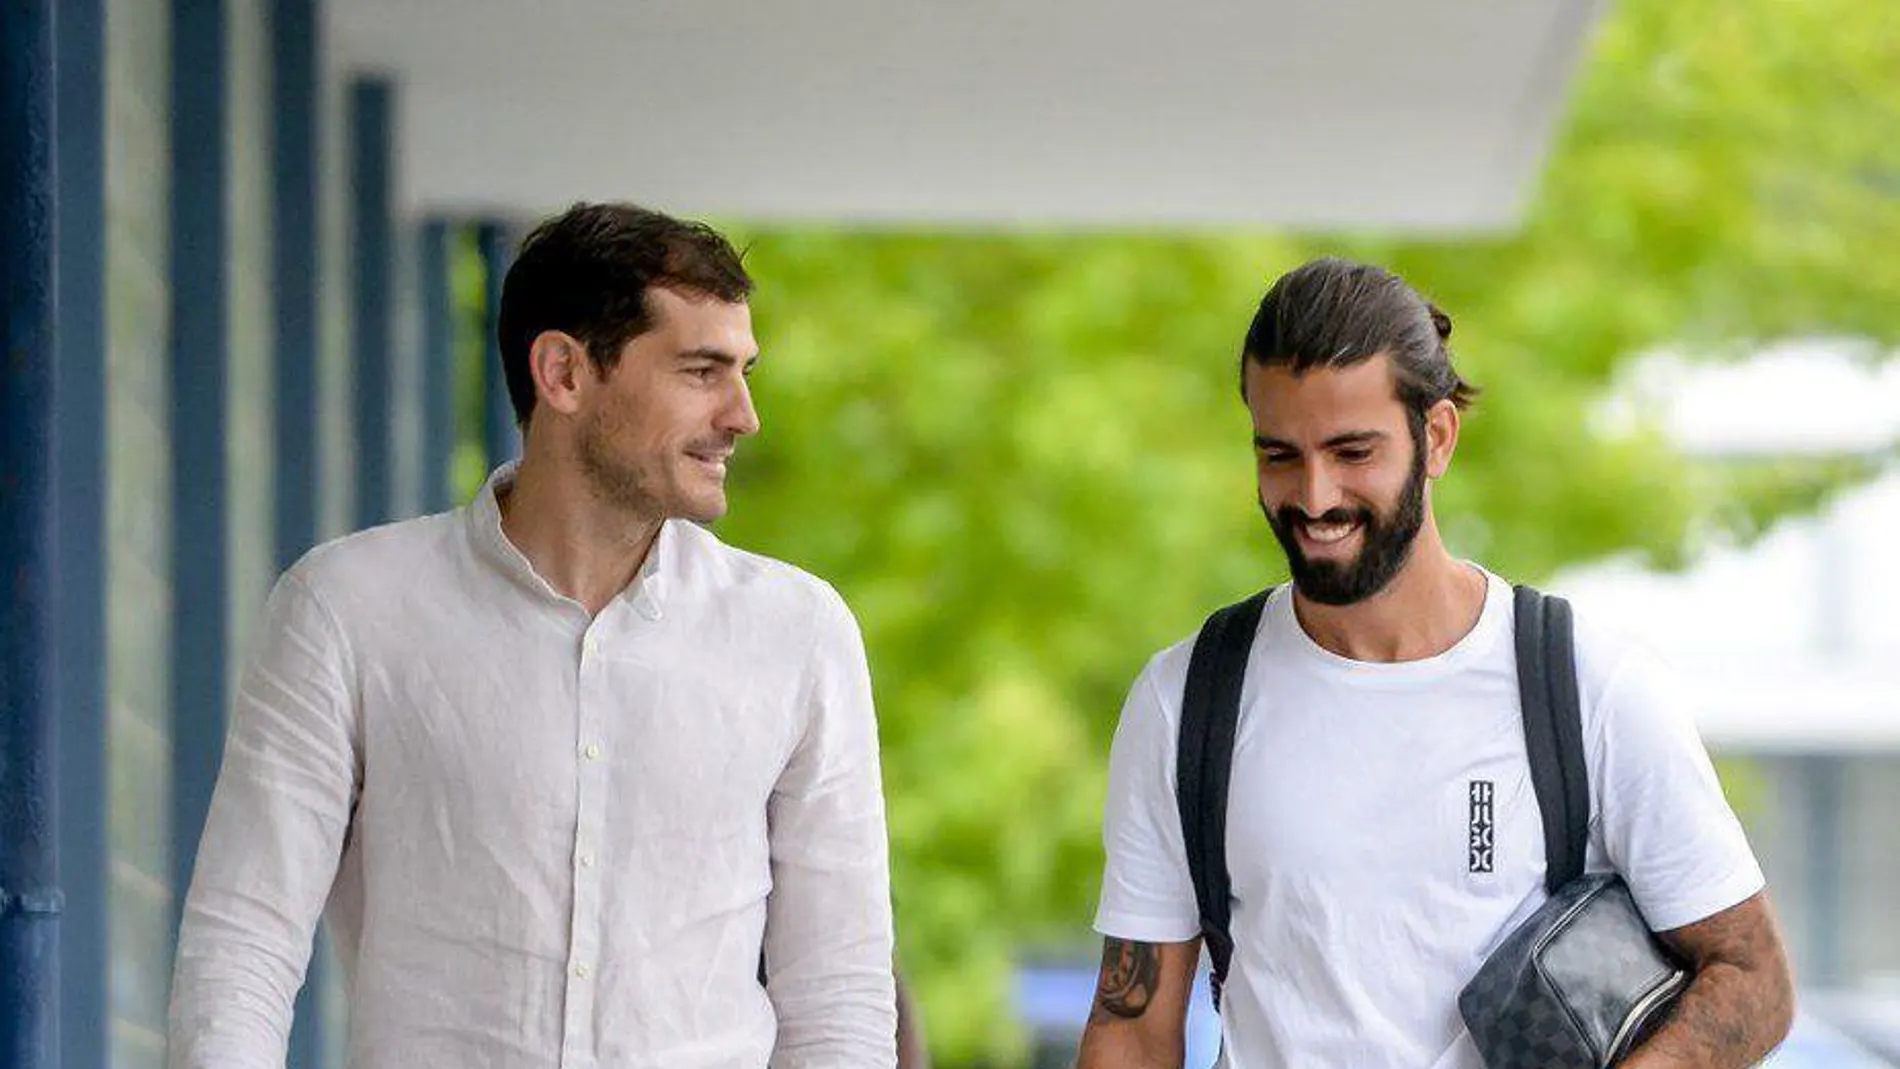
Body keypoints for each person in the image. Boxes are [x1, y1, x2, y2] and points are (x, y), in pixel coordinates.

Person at [170, 203, 897, 1068]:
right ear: (563, 373)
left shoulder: (798, 634)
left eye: (743, 371)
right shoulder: (347, 609)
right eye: (702, 371)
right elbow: (243, 948)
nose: (744, 414)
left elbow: (837, 996)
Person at [1075, 258, 1794, 1069]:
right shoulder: (1188, 700)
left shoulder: (1588, 685)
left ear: (1437, 436)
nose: (1314, 496)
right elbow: (1133, 1027)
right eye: (1279, 455)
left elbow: (1753, 977)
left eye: (1353, 452)